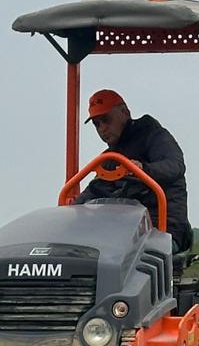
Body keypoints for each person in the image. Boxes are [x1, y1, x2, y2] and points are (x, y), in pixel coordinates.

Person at [78, 89, 193, 252]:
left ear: (124, 112)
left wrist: (143, 169)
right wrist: (71, 213)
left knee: (126, 257)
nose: (102, 128)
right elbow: (95, 189)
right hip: (125, 232)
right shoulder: (109, 159)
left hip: (162, 229)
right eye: (97, 124)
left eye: (106, 119)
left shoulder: (153, 136)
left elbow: (175, 166)